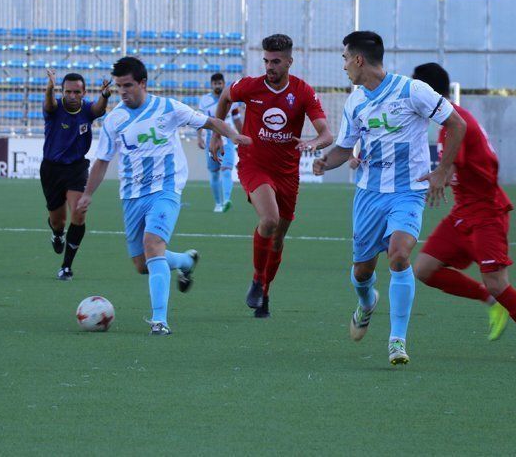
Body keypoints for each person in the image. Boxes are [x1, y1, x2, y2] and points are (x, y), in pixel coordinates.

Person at [312, 31, 467, 366]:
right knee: (362, 271)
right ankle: (367, 303)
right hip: (369, 195)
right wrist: (326, 161)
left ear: (358, 59)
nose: (343, 67)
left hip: (408, 191)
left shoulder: (413, 91)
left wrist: (442, 170)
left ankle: (397, 340)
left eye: (344, 59)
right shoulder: (355, 102)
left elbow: (457, 124)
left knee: (399, 256)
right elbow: (343, 148)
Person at [77, 57, 251, 335]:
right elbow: (102, 160)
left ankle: (160, 321)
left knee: (153, 243)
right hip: (132, 195)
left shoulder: (168, 107)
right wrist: (87, 194)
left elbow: (210, 121)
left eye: (128, 85)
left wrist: (234, 136)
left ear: (143, 83)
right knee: (142, 264)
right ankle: (184, 261)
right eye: (119, 86)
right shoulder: (114, 120)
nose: (123, 91)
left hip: (166, 188)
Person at [410, 62, 516, 365]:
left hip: (487, 213)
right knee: (424, 269)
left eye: (415, 92)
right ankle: (489, 299)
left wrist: (440, 175)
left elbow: (454, 163)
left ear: (427, 93)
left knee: (498, 282)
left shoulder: (456, 124)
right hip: (463, 212)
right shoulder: (448, 123)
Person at [210, 34, 332, 318]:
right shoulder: (251, 86)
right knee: (269, 219)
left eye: (276, 61)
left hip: (287, 172)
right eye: (266, 60)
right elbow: (226, 97)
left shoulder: (303, 92)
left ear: (289, 61)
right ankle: (256, 278)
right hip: (254, 164)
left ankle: (265, 291)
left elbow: (327, 133)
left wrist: (314, 143)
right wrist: (217, 134)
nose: (269, 67)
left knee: (278, 239)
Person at [41, 69, 110, 281]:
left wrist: (105, 96)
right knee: (58, 221)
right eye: (68, 92)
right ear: (62, 91)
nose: (72, 96)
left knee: (79, 213)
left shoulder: (87, 109)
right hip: (51, 169)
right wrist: (50, 88)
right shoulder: (55, 108)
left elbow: (98, 109)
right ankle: (56, 234)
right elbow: (49, 104)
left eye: (76, 92)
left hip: (76, 168)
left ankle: (66, 266)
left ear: (83, 92)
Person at [197, 72, 243, 212]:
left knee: (227, 169)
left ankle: (227, 200)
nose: (217, 86)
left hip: (227, 137)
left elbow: (236, 119)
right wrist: (199, 137)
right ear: (211, 85)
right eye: (215, 83)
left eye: (220, 83)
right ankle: (218, 203)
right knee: (215, 172)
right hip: (211, 138)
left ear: (223, 84)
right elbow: (199, 120)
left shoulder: (231, 99)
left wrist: (241, 135)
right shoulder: (204, 101)